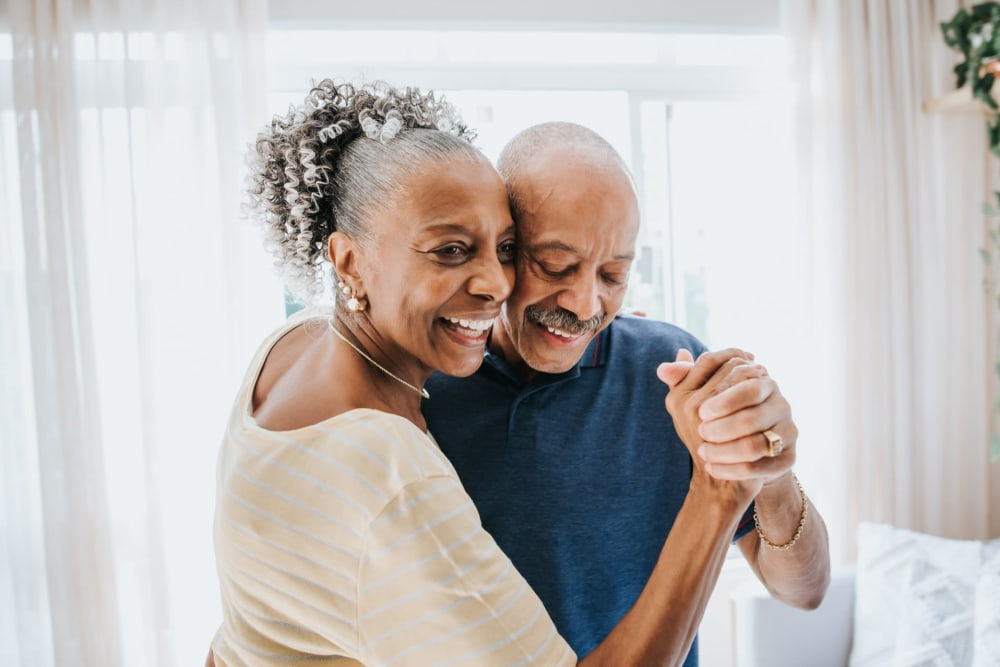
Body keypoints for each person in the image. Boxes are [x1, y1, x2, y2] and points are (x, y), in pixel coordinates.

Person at [209, 81, 790, 667]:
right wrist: (718, 493)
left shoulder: (286, 350)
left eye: (506, 248)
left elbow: (243, 635)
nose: (495, 282)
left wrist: (772, 469)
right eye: (452, 250)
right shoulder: (393, 471)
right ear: (349, 260)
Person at [423, 121, 832, 666]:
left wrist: (772, 471)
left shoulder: (673, 370)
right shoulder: (420, 390)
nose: (585, 302)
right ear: (501, 246)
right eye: (555, 266)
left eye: (613, 275)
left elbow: (804, 592)